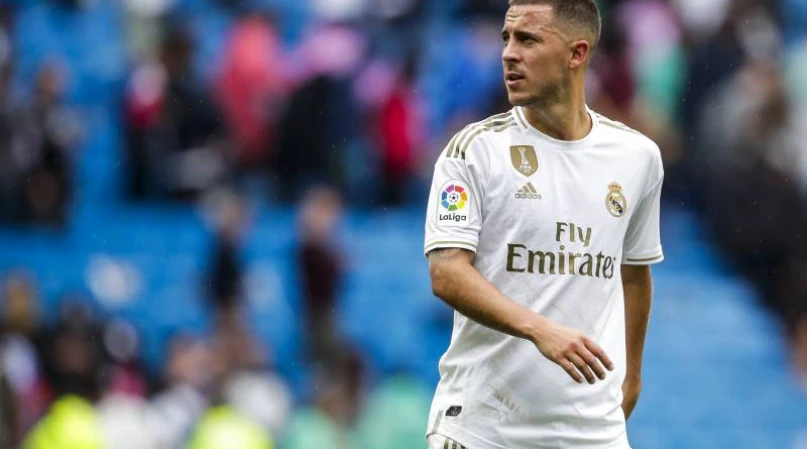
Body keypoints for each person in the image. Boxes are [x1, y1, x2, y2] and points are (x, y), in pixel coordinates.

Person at [423, 1, 663, 448]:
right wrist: (540, 330)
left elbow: (634, 272)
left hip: (594, 434)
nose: (508, 54)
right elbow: (446, 272)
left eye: (528, 39)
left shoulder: (637, 158)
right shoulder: (474, 151)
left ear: (577, 53)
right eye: (506, 38)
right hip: (484, 430)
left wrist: (633, 375)